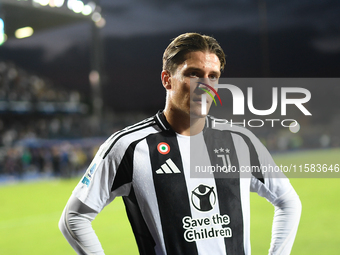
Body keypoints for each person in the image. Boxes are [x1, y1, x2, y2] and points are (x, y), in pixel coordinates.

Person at [59, 32, 301, 255]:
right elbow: (73, 218)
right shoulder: (128, 147)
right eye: (193, 74)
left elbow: (288, 201)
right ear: (167, 79)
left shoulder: (241, 141)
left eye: (213, 76)